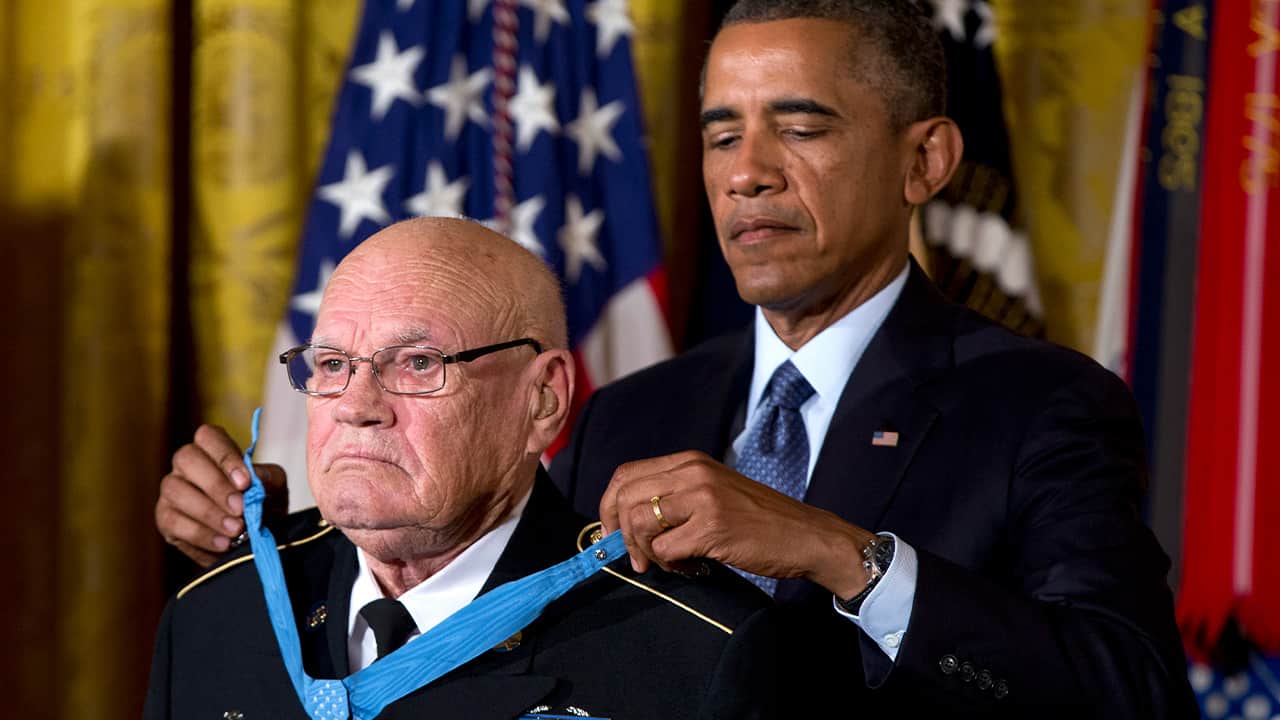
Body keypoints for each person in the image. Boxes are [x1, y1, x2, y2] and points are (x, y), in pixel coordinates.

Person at [156, 1, 1197, 716]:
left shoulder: (1042, 405)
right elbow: (488, 607)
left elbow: (1132, 691)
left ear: (922, 160)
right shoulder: (636, 409)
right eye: (718, 134)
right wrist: (287, 535)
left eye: (798, 127)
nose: (747, 174)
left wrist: (843, 556)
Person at [144, 218, 779, 720]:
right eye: (333, 364)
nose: (358, 408)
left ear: (544, 399)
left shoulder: (697, 650)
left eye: (418, 363)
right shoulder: (216, 612)